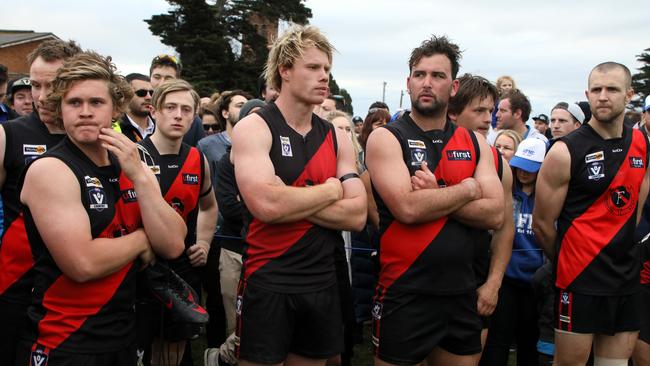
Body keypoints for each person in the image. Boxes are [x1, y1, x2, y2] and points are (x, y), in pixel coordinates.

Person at [14, 51, 186, 365]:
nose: (85, 112)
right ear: (59, 109)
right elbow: (82, 263)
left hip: (123, 331)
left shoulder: (130, 162)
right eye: (74, 103)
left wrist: (141, 178)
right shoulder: (51, 169)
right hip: (67, 339)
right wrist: (143, 240)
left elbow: (174, 243)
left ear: (116, 108)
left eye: (96, 103)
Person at [230, 24, 367, 366]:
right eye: (313, 67)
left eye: (327, 70)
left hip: (321, 280)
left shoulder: (336, 137)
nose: (324, 77)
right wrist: (331, 189)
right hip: (268, 278)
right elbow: (267, 205)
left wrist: (295, 196)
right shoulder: (255, 126)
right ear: (285, 71)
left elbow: (357, 216)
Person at [365, 35, 504, 366]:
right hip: (405, 290)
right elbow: (408, 208)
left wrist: (436, 191)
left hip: (461, 291)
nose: (427, 83)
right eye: (420, 74)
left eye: (438, 76)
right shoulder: (387, 137)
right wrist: (467, 189)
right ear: (409, 82)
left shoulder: (475, 143)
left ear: (453, 87)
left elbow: (495, 214)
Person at [533, 62, 649, 366]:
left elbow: (635, 210)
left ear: (629, 95)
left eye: (612, 89)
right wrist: (570, 260)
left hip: (625, 278)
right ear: (587, 93)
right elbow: (542, 224)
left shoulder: (641, 143)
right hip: (579, 280)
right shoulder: (565, 150)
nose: (603, 96)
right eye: (596, 89)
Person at [0, 39, 82, 366]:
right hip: (16, 286)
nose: (42, 95)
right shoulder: (9, 135)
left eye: (54, 84)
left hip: (74, 289)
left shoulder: (91, 136)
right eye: (35, 84)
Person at [136, 79, 217, 366]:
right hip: (141, 269)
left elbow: (209, 206)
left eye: (185, 109)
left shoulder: (197, 158)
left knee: (174, 349)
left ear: (195, 114)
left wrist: (204, 242)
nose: (178, 115)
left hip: (182, 268)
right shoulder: (134, 156)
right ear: (154, 111)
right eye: (170, 107)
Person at [448, 73, 515, 351]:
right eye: (478, 110)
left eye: (491, 110)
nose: (489, 118)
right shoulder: (431, 152)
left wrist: (493, 284)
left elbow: (504, 227)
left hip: (474, 279)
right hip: (423, 278)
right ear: (453, 113)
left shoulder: (500, 165)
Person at [203, 99, 266, 366]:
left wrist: (254, 202)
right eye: (250, 118)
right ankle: (218, 359)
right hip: (234, 252)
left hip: (267, 253)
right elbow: (228, 207)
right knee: (237, 327)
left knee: (264, 324)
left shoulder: (274, 160)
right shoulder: (226, 162)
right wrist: (266, 205)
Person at [481, 137, 547, 366]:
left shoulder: (548, 197)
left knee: (529, 342)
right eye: (520, 166)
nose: (523, 173)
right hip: (507, 278)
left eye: (531, 168)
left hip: (535, 281)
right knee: (497, 340)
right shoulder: (505, 190)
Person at [149, 54, 205, 146]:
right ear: (153, 112)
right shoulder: (137, 111)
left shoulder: (193, 121)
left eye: (168, 78)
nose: (162, 82)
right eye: (157, 77)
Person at [118, 73, 155, 142]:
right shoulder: (115, 128)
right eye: (141, 93)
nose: (149, 97)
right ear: (126, 96)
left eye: (151, 93)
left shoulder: (161, 125)